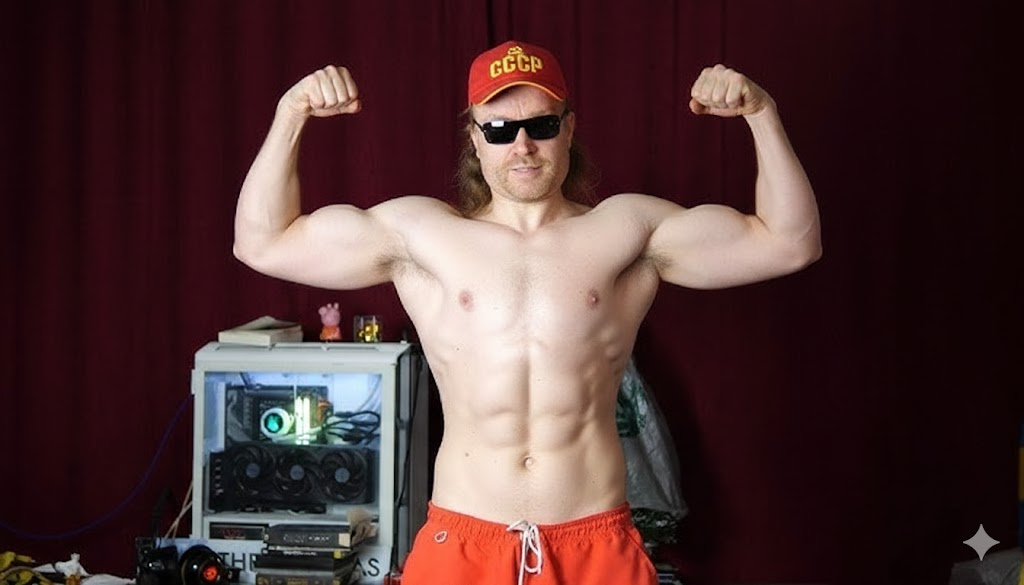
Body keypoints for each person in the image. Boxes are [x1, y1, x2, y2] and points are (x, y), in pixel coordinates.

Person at [234, 40, 821, 585]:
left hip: (594, 540)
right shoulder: (421, 235)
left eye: (541, 125)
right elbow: (262, 242)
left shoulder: (627, 230)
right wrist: (291, 114)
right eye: (499, 128)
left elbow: (789, 243)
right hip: (464, 539)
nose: (522, 146)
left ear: (569, 128)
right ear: (474, 137)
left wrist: (761, 114)